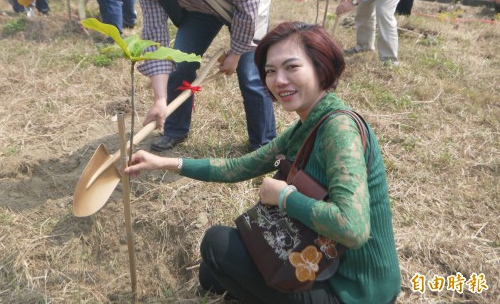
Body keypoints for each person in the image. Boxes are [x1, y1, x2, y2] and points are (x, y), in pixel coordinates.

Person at [124, 21, 401, 304]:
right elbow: (239, 167)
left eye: (292, 67)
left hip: (355, 292)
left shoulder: (339, 129)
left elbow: (352, 229)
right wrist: (162, 162)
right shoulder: (308, 125)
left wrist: (284, 197)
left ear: (321, 67)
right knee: (210, 273)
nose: (279, 80)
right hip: (323, 265)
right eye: (270, 71)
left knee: (216, 244)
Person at [120, 0, 276, 152]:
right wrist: (160, 100)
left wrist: (235, 54)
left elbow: (247, 4)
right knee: (178, 64)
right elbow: (155, 38)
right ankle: (175, 129)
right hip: (199, 5)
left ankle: (264, 145)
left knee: (250, 75)